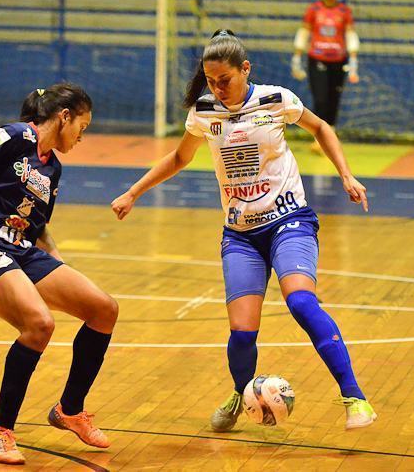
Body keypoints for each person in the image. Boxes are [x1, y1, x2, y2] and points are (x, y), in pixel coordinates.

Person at [111, 30, 376, 432]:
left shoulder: (276, 99)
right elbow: (180, 157)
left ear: (245, 69)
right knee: (241, 331)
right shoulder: (203, 112)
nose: (216, 88)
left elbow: (321, 128)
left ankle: (354, 397)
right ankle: (241, 394)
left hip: (289, 221)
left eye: (224, 80)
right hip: (240, 234)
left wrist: (346, 174)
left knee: (302, 303)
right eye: (210, 80)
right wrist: (133, 192)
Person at [0, 83, 118, 464]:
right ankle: (0, 429)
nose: (83, 136)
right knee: (40, 323)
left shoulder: (52, 167)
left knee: (103, 309)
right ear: (64, 116)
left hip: (21, 248)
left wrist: (59, 263)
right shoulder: (18, 135)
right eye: (82, 126)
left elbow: (36, 229)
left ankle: (69, 410)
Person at [291, 0, 360, 153]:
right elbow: (304, 32)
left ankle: (331, 137)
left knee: (333, 100)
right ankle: (319, 138)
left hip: (339, 61)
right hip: (317, 59)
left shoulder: (344, 11)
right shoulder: (314, 10)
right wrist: (297, 57)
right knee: (320, 99)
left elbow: (350, 35)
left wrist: (353, 60)